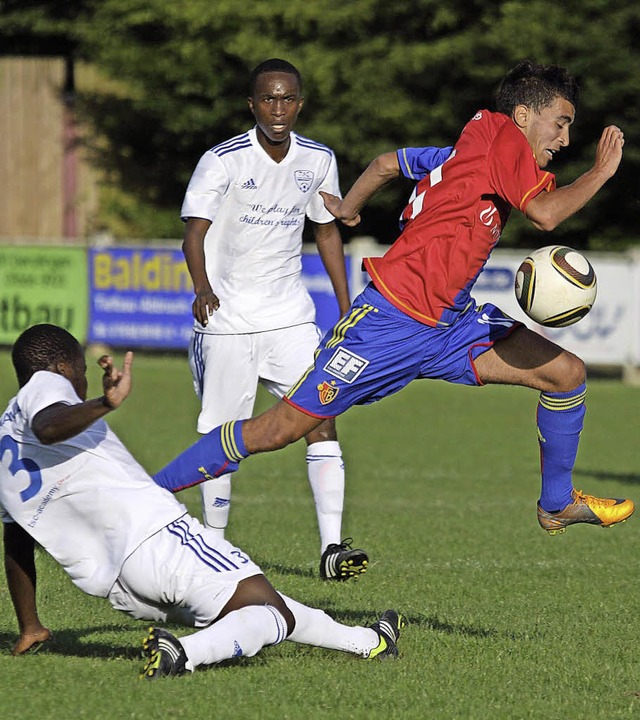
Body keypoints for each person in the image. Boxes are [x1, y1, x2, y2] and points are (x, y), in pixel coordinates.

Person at [153, 60, 634, 536]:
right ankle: (148, 494)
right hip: (389, 323)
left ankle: (556, 503)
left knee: (565, 373)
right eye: (561, 123)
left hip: (450, 326)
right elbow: (546, 216)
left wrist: (348, 206)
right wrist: (600, 172)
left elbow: (387, 164)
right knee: (276, 431)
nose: (565, 139)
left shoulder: (476, 150)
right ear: (524, 115)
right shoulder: (504, 137)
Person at [0, 324, 404, 678]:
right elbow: (48, 425)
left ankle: (369, 642)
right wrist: (104, 403)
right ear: (63, 367)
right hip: (157, 540)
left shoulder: (6, 447)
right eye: (81, 373)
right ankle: (185, 653)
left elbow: (16, 540)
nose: (81, 383)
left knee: (258, 602)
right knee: (270, 614)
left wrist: (31, 625)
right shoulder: (46, 384)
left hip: (117, 588)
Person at [180, 57, 367, 580]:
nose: (278, 109)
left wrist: (345, 301)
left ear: (300, 104)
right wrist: (202, 288)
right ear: (252, 105)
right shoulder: (222, 160)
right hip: (227, 319)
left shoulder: (318, 159)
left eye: (287, 99)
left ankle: (332, 548)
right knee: (221, 433)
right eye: (268, 99)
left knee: (320, 416)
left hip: (290, 317)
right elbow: (193, 232)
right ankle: (213, 550)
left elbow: (326, 231)